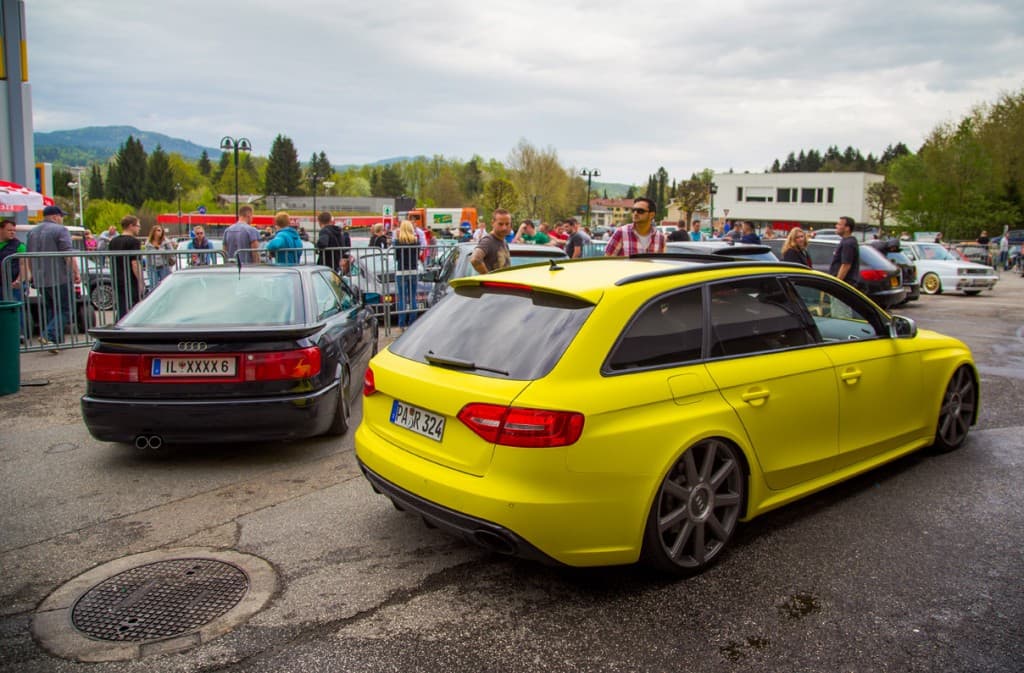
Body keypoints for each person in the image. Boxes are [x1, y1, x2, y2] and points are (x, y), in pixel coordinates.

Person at [26, 206, 80, 352]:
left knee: (52, 308)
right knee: (65, 309)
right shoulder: (60, 230)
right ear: (56, 217)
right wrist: (76, 272)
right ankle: (49, 335)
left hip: (41, 278)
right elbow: (67, 253)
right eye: (61, 216)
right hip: (60, 276)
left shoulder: (32, 232)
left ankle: (54, 342)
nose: (62, 219)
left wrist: (33, 275)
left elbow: (29, 257)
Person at [109, 215, 144, 320]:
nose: (139, 228)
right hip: (129, 278)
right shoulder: (134, 242)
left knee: (121, 306)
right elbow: (134, 263)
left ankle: (118, 326)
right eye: (138, 226)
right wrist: (140, 280)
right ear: (130, 226)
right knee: (134, 306)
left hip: (117, 277)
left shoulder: (113, 241)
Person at [0, 219, 28, 339]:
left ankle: (18, 334)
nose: (12, 233)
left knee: (15, 310)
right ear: (1, 230)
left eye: (14, 230)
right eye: (9, 230)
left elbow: (23, 265)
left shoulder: (19, 245)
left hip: (12, 284)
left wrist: (19, 279)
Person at [393, 220, 420, 328]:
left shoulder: (397, 242)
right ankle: (412, 322)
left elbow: (396, 258)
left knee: (402, 298)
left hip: (401, 271)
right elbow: (418, 256)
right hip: (413, 270)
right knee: (413, 297)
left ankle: (401, 323)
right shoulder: (416, 241)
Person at [470, 209, 512, 273]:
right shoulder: (488, 241)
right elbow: (475, 259)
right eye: (500, 224)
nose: (504, 228)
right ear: (493, 223)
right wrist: (488, 278)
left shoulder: (504, 241)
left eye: (507, 224)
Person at [828, 216, 860, 285]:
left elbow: (846, 265)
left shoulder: (848, 243)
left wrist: (837, 283)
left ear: (847, 228)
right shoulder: (845, 241)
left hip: (846, 282)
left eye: (839, 224)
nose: (836, 226)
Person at [143, 224, 175, 289]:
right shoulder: (148, 243)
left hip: (164, 266)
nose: (160, 232)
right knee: (154, 286)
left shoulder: (166, 241)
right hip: (152, 267)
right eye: (158, 230)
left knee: (166, 285)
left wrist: (160, 249)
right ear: (153, 231)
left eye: (161, 230)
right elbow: (147, 257)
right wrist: (147, 268)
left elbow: (172, 252)